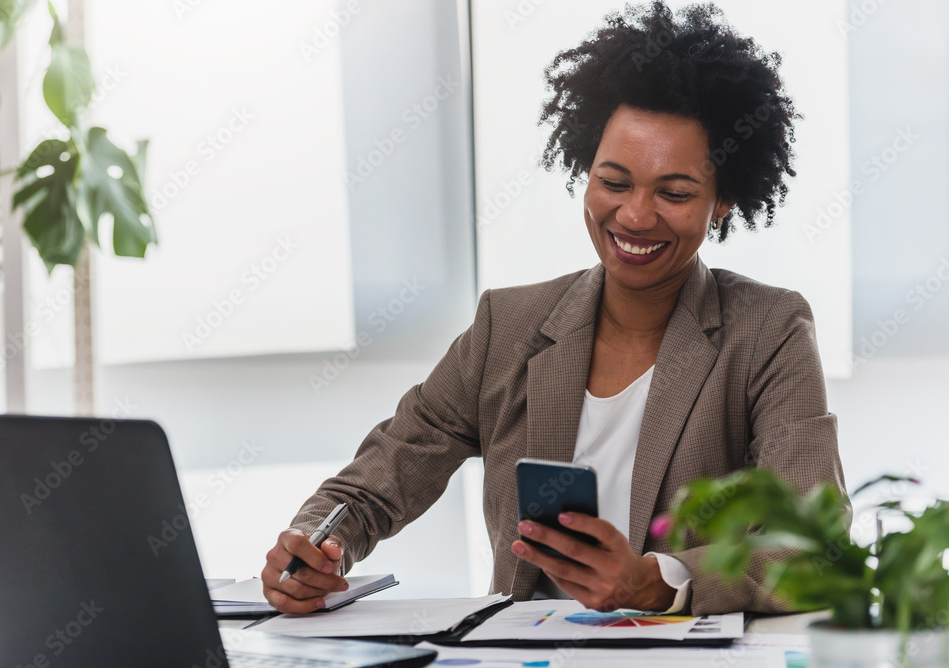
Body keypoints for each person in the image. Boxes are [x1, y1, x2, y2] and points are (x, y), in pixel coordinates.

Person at [262, 1, 845, 616]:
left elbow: (810, 546)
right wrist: (318, 546)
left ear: (723, 200)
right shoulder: (506, 328)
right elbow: (379, 478)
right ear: (584, 171)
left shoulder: (769, 330)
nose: (636, 216)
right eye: (613, 182)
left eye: (673, 193)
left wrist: (655, 581)